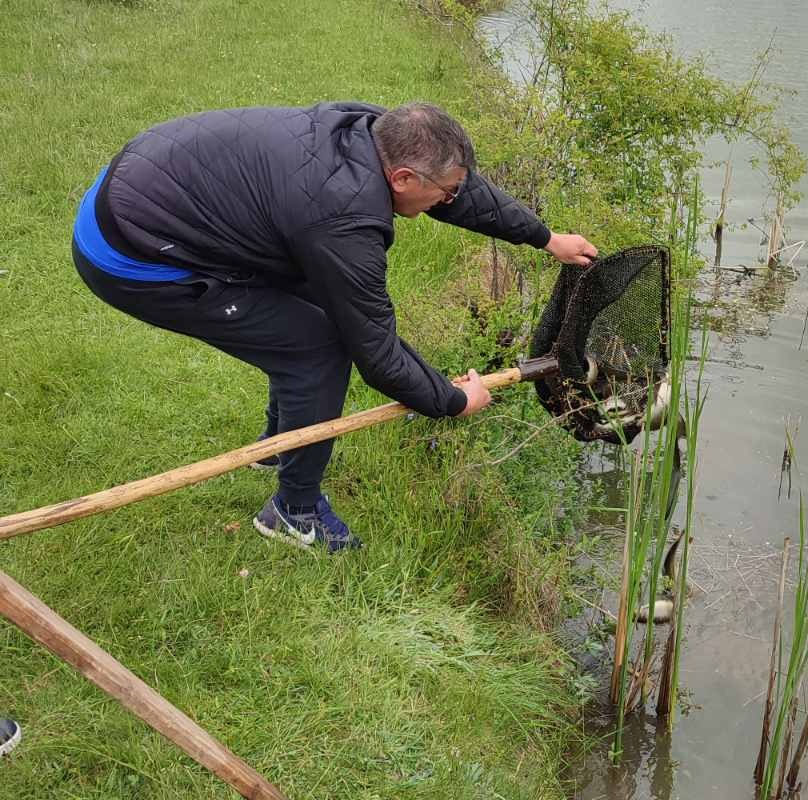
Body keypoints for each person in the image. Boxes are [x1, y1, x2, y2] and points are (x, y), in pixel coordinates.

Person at [71, 101, 597, 553]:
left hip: (149, 189)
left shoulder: (373, 129)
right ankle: (293, 511)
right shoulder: (343, 220)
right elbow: (374, 349)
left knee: (308, 314)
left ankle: (281, 443)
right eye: (444, 192)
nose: (449, 201)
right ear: (404, 179)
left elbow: (464, 191)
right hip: (132, 254)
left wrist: (545, 237)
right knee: (318, 349)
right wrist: (453, 401)